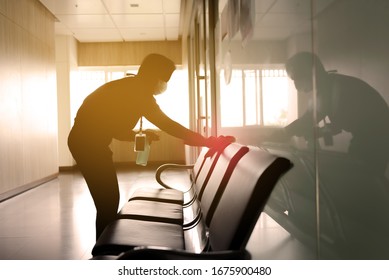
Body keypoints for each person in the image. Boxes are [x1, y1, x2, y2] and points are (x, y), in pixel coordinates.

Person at [68, 53, 231, 240]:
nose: (163, 85)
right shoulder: (139, 94)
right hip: (87, 144)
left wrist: (140, 135)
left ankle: (104, 246)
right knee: (107, 201)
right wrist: (207, 141)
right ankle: (104, 252)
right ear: (154, 76)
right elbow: (169, 125)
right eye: (164, 79)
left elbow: (112, 127)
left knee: (108, 200)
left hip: (87, 142)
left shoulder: (130, 87)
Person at [269, 52, 389, 175]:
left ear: (308, 73)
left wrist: (282, 133)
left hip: (374, 138)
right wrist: (319, 132)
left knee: (361, 178)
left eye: (296, 79)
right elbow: (339, 122)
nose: (296, 86)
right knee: (361, 176)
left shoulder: (331, 90)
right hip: (373, 136)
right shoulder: (333, 84)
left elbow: (307, 119)